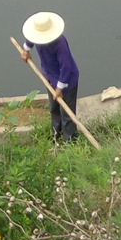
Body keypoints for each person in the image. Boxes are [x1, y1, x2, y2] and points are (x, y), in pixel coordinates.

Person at [21, 11, 80, 142]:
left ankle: (70, 142)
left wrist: (60, 89)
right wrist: (25, 50)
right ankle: (56, 134)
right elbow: (30, 40)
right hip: (50, 78)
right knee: (54, 108)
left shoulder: (60, 44)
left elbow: (67, 67)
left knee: (67, 114)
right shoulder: (36, 36)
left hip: (66, 81)